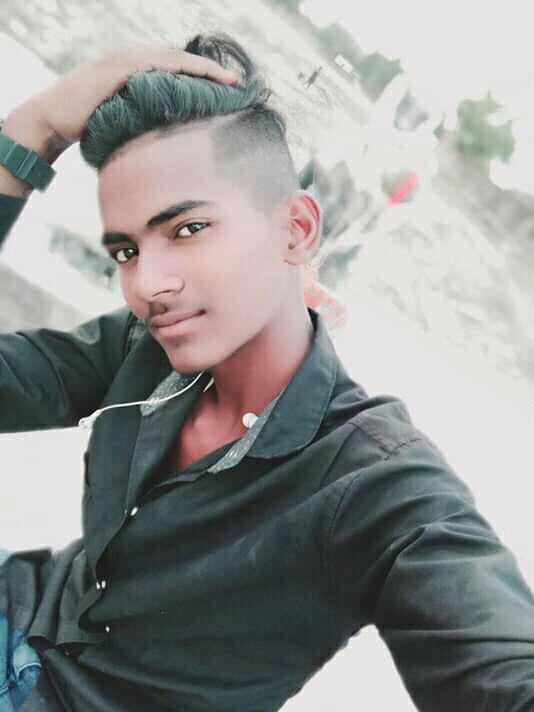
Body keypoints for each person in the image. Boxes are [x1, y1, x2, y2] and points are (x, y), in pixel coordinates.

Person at [0, 32, 533, 712]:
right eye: (129, 250)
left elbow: (498, 665)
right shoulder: (148, 348)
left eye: (189, 229)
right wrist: (34, 129)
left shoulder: (376, 485)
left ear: (296, 231)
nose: (149, 284)